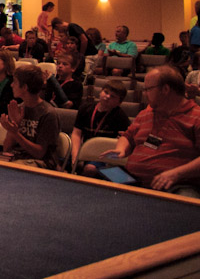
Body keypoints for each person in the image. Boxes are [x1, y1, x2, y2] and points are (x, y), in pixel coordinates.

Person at [103, 67, 200, 195]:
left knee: (187, 199)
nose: (144, 94)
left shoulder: (196, 116)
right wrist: (121, 149)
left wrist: (176, 174)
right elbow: (127, 136)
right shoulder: (146, 113)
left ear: (165, 89)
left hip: (176, 186)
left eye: (148, 89)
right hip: (133, 181)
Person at [0, 65, 60, 169]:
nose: (11, 85)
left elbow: (39, 153)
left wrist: (15, 133)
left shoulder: (48, 114)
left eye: (15, 82)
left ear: (25, 87)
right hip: (16, 157)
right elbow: (6, 148)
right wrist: (15, 124)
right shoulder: (18, 109)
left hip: (41, 163)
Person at [71, 81, 130, 177]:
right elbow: (76, 133)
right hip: (84, 150)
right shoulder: (85, 108)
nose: (107, 97)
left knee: (90, 168)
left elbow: (123, 141)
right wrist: (75, 155)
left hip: (103, 156)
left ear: (119, 102)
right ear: (100, 92)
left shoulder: (121, 117)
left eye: (113, 96)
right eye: (106, 92)